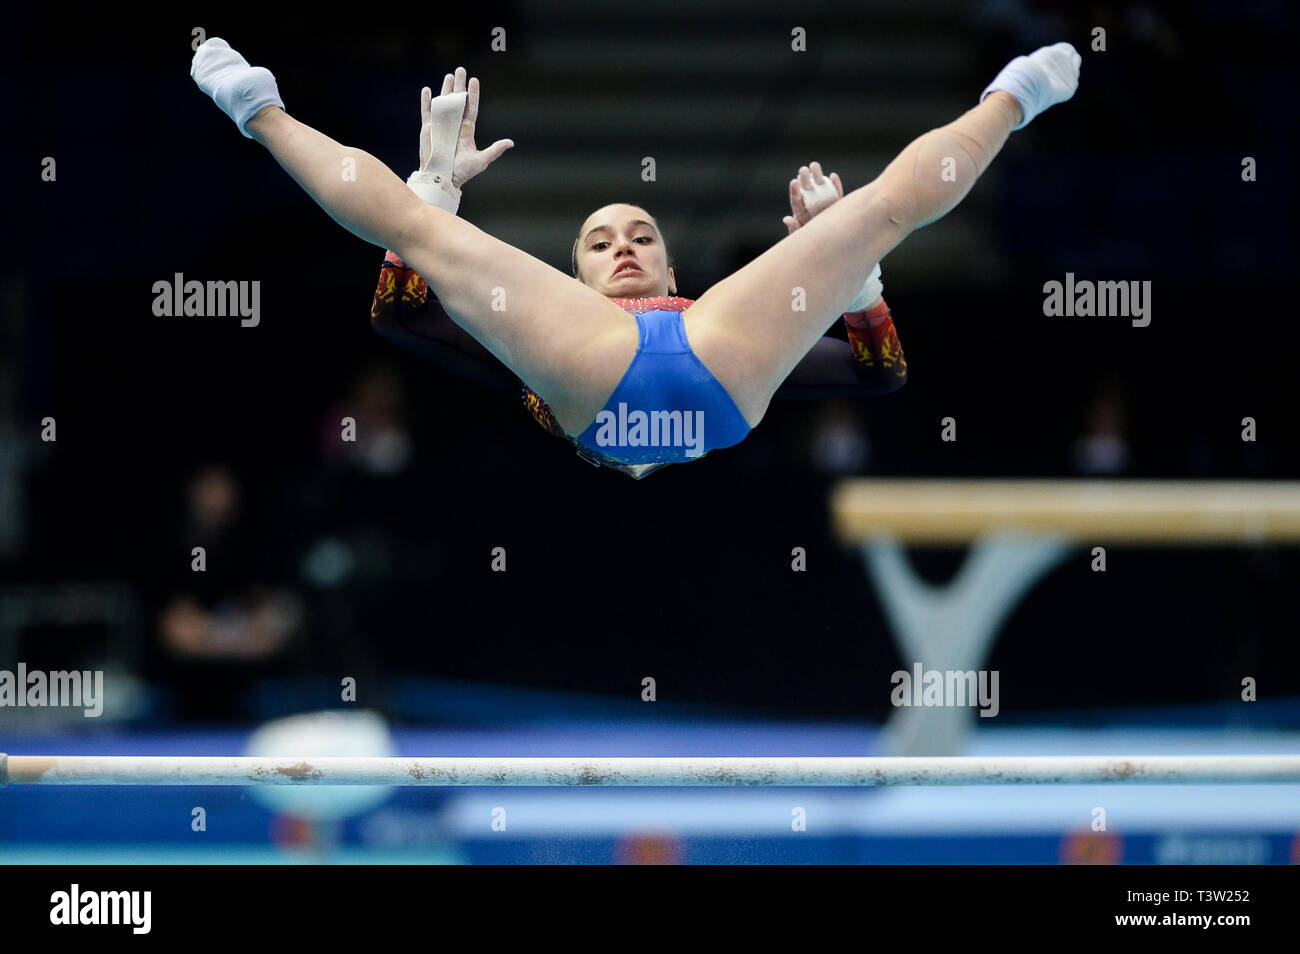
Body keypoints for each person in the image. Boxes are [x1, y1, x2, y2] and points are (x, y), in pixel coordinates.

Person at [192, 38, 1080, 476]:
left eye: (642, 236)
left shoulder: (691, 323)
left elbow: (879, 373)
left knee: (876, 213)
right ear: (571, 282)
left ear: (671, 275)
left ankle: (1015, 94)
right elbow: (876, 373)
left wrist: (851, 271)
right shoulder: (550, 344)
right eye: (601, 241)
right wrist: (435, 186)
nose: (623, 248)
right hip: (683, 394)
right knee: (875, 217)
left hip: (681, 378)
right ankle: (258, 107)